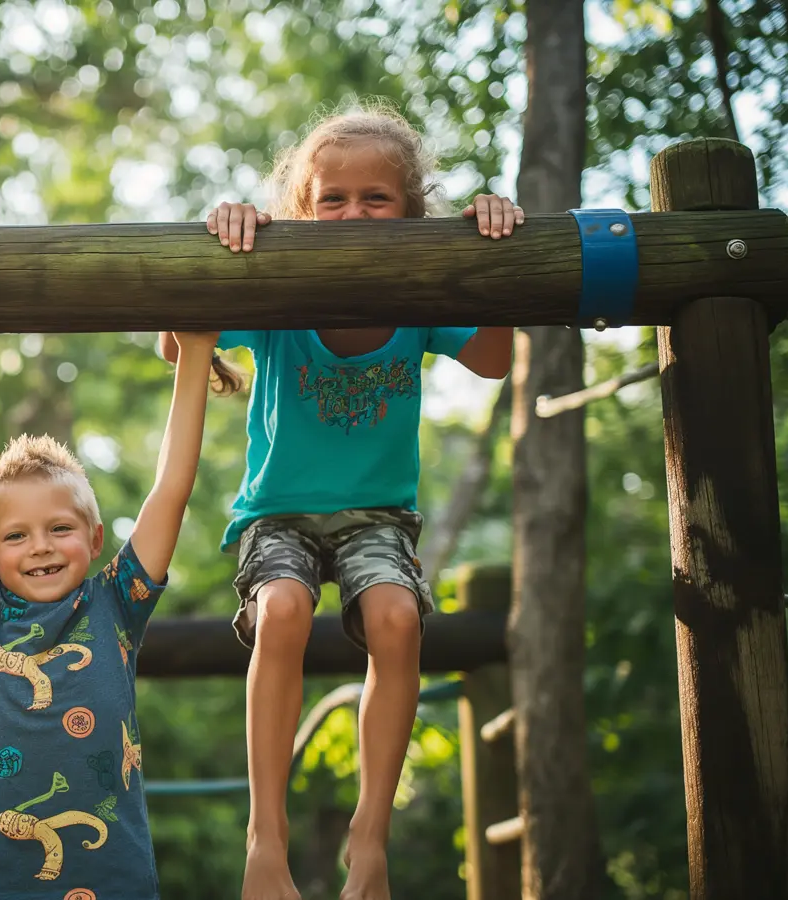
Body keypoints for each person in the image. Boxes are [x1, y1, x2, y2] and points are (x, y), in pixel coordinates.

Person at [161, 103, 520, 900]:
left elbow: (495, 360)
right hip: (277, 514)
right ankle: (266, 837)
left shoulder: (421, 294)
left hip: (377, 517)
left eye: (376, 198)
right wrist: (224, 238)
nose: (353, 213)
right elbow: (175, 340)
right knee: (282, 611)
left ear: (410, 211)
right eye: (333, 198)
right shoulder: (280, 289)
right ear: (301, 211)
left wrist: (491, 247)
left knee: (396, 617)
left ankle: (370, 839)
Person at [0, 329, 216, 899]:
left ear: (96, 537)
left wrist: (197, 349)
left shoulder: (116, 603)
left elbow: (170, 490)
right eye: (16, 535)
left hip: (109, 878)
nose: (41, 546)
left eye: (60, 528)